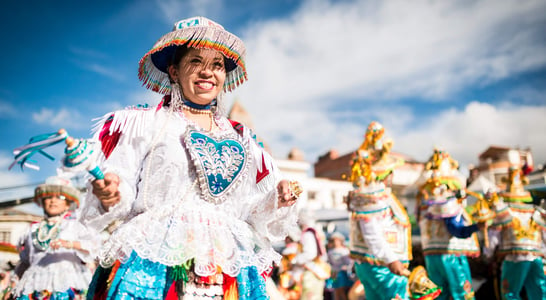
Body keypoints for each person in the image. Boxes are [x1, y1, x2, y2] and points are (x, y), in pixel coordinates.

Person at [79, 16, 300, 299]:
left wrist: (276, 199)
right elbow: (120, 180)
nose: (208, 72)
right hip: (155, 257)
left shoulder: (241, 138)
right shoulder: (145, 123)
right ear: (174, 71)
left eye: (217, 65)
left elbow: (245, 210)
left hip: (227, 262)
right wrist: (110, 190)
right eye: (196, 61)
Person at [12, 176, 99, 299]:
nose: (53, 201)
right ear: (42, 202)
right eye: (48, 197)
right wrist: (13, 284)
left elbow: (94, 248)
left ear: (68, 204)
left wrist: (71, 244)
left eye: (60, 197)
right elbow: (25, 262)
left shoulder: (75, 226)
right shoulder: (31, 230)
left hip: (67, 281)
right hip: (34, 284)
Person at [416, 148, 481, 300]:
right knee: (463, 294)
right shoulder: (448, 205)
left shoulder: (425, 207)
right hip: (450, 255)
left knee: (439, 294)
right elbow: (457, 230)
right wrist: (478, 226)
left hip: (431, 257)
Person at [483, 151, 546, 300]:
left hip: (514, 258)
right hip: (536, 258)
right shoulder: (536, 212)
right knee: (539, 292)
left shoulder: (505, 212)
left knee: (510, 293)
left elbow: (493, 239)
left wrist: (488, 254)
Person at [291, 211, 331, 300]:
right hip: (316, 271)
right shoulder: (315, 231)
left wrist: (295, 260)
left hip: (311, 271)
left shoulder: (307, 234)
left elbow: (310, 253)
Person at [326, 232, 354, 300]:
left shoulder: (344, 251)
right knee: (336, 290)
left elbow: (348, 263)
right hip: (334, 273)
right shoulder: (330, 252)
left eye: (337, 240)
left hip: (342, 274)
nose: (335, 242)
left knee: (342, 291)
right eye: (334, 240)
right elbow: (329, 262)